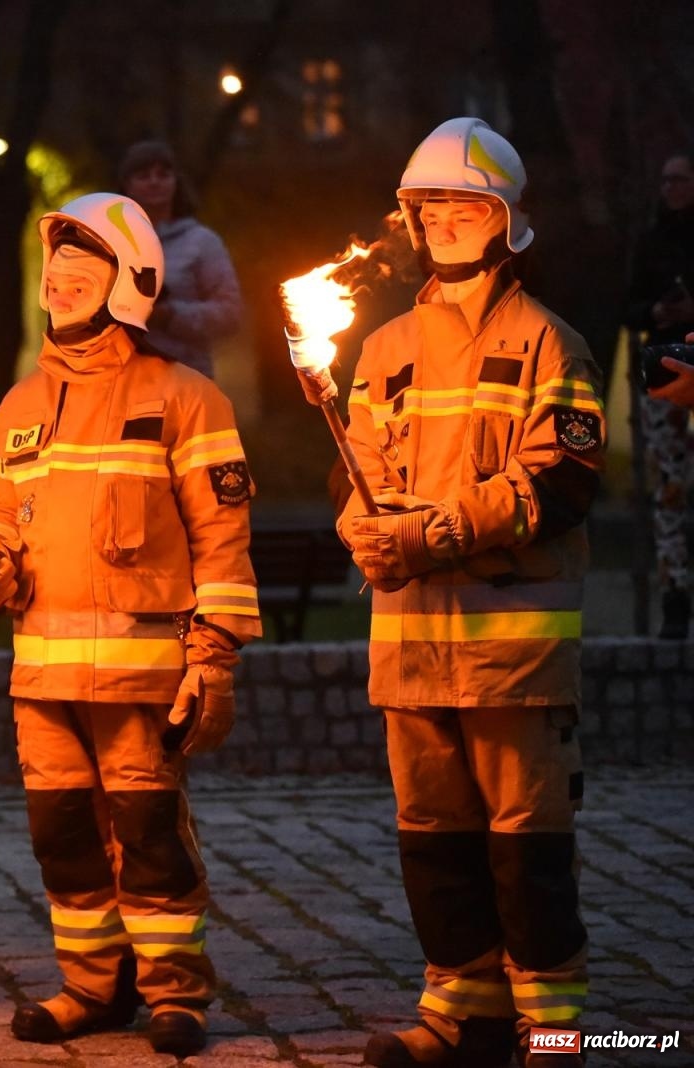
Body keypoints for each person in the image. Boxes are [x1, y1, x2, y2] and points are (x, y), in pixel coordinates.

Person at [0, 194, 260, 1056]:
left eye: (82, 270)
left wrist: (217, 657)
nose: (60, 284)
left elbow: (223, 540)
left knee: (151, 839)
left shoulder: (186, 399)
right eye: (54, 271)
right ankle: (92, 987)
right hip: (42, 680)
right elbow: (4, 522)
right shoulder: (19, 406)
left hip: (142, 676)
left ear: (129, 285)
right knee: (63, 839)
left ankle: (175, 995)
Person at [338, 118, 599, 1068]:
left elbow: (560, 486)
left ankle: (560, 1028)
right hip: (408, 645)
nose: (442, 220)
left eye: (463, 203)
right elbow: (353, 471)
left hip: (515, 655)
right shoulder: (381, 350)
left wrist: (435, 532)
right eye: (428, 205)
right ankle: (464, 1012)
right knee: (434, 842)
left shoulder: (552, 346)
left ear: (503, 218)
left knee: (527, 849)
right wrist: (360, 530)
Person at [622, 150, 694, 639]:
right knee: (668, 491)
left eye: (680, 180)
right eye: (665, 180)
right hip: (665, 370)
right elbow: (629, 306)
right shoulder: (651, 241)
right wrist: (658, 312)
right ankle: (675, 598)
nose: (670, 188)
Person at [117, 140, 243, 379]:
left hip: (187, 380)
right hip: (124, 382)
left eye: (163, 174)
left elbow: (230, 313)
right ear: (126, 185)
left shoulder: (201, 242)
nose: (155, 181)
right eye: (143, 175)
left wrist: (169, 315)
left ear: (176, 182)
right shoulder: (110, 242)